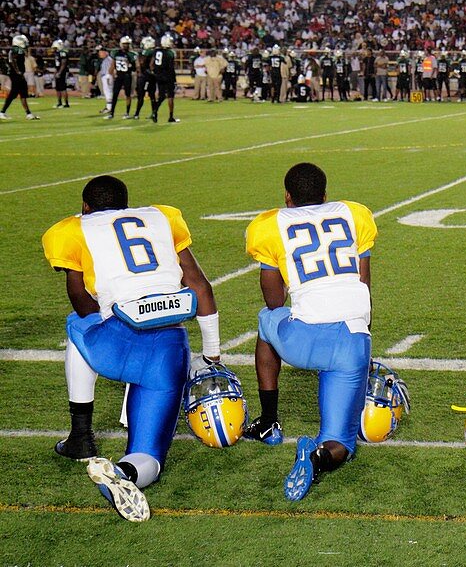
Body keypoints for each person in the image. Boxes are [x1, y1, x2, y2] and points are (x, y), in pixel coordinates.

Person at [41, 175, 222, 522]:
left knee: (80, 324)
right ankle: (125, 473)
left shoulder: (72, 229)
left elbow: (80, 300)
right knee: (150, 455)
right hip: (171, 347)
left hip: (120, 340)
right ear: (125, 204)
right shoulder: (163, 217)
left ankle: (81, 436)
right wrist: (211, 353)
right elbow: (200, 285)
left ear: (85, 207)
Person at [243, 163, 377, 501]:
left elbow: (273, 299)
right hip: (353, 339)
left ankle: (269, 422)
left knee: (267, 319)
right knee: (341, 442)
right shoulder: (354, 214)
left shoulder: (270, 224)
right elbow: (364, 283)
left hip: (302, 341)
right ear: (325, 194)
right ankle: (318, 458)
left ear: (287, 197)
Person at [1, 34, 40, 119]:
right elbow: (12, 61)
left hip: (18, 74)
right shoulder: (16, 49)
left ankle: (28, 114)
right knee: (15, 93)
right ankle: (2, 112)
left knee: (22, 93)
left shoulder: (18, 49)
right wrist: (17, 71)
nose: (25, 43)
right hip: (16, 74)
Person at [150, 35, 178, 123]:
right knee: (170, 96)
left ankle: (154, 112)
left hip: (158, 76)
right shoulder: (170, 53)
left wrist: (155, 72)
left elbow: (151, 64)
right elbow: (171, 67)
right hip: (168, 76)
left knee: (161, 96)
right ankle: (170, 116)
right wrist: (174, 79)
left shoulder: (156, 51)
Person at [107, 37, 137, 119]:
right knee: (115, 95)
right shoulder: (116, 53)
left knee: (128, 94)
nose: (125, 46)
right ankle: (111, 113)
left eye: (127, 44)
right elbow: (113, 64)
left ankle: (127, 113)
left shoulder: (131, 54)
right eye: (124, 44)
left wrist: (131, 66)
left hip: (127, 75)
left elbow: (135, 67)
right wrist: (110, 74)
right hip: (119, 76)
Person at [132, 37, 158, 118]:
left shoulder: (146, 52)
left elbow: (142, 63)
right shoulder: (155, 51)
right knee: (152, 96)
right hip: (152, 76)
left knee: (141, 96)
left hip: (145, 76)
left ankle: (137, 114)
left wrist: (139, 71)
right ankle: (154, 113)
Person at [51, 39, 72, 108]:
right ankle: (59, 103)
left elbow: (63, 63)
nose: (54, 48)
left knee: (63, 88)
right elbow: (58, 64)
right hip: (59, 71)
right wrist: (56, 72)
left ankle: (66, 104)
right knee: (58, 88)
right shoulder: (58, 53)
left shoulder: (63, 52)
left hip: (63, 71)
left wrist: (59, 72)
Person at [96, 45, 116, 115]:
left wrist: (110, 77)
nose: (99, 54)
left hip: (107, 76)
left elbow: (112, 69)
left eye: (101, 52)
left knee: (108, 92)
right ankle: (108, 107)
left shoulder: (108, 59)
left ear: (105, 52)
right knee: (107, 92)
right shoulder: (105, 60)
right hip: (106, 76)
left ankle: (109, 108)